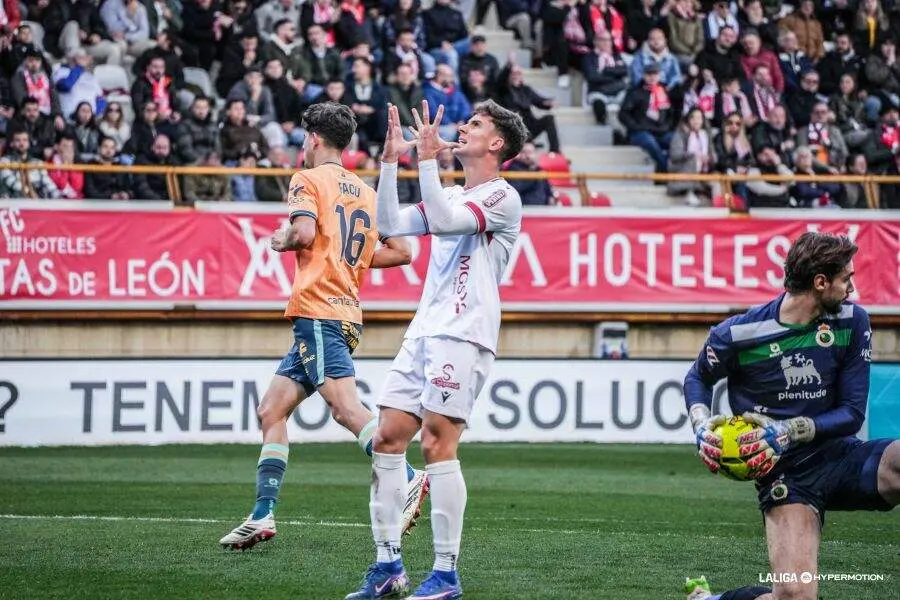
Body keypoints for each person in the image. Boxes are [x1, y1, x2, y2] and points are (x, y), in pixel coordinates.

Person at [218, 101, 427, 552]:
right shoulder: (366, 191)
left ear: (313, 138)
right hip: (345, 314)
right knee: (271, 410)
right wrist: (349, 260)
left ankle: (408, 476)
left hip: (319, 311)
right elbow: (403, 252)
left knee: (346, 409)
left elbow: (305, 234)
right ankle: (262, 513)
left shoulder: (307, 180)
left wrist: (283, 240)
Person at [345, 98, 528, 600]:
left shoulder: (503, 197)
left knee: (435, 443)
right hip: (425, 330)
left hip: (464, 334)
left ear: (497, 143)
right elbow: (390, 223)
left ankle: (446, 574)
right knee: (387, 438)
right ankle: (388, 566)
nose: (463, 128)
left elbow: (446, 222)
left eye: (476, 124)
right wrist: (390, 163)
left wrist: (426, 159)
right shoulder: (449, 192)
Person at [683, 231, 899, 600]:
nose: (852, 288)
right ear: (820, 282)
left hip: (843, 456)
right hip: (786, 475)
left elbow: (851, 413)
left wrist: (789, 429)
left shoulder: (852, 321)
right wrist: (701, 424)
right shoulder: (739, 333)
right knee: (794, 596)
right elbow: (697, 378)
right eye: (846, 278)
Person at [619, 63, 675, 173]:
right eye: (649, 74)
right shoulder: (635, 92)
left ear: (659, 75)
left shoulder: (665, 91)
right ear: (644, 76)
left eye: (655, 74)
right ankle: (665, 170)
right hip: (641, 132)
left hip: (661, 131)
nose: (652, 77)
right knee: (650, 143)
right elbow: (623, 114)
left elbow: (671, 114)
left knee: (676, 141)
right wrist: (636, 126)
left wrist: (667, 126)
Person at [0, 129, 60, 199]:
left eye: (25, 140)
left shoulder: (38, 162)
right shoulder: (5, 161)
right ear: (11, 144)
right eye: (18, 140)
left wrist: (58, 196)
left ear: (28, 144)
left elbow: (47, 182)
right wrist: (29, 191)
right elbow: (10, 181)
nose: (21, 143)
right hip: (14, 200)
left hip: (36, 200)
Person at [506, 141, 552, 205]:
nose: (527, 156)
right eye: (524, 152)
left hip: (543, 209)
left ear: (535, 153)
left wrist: (551, 197)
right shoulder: (514, 168)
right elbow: (515, 189)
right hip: (524, 208)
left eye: (530, 152)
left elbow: (548, 192)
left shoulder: (539, 170)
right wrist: (533, 177)